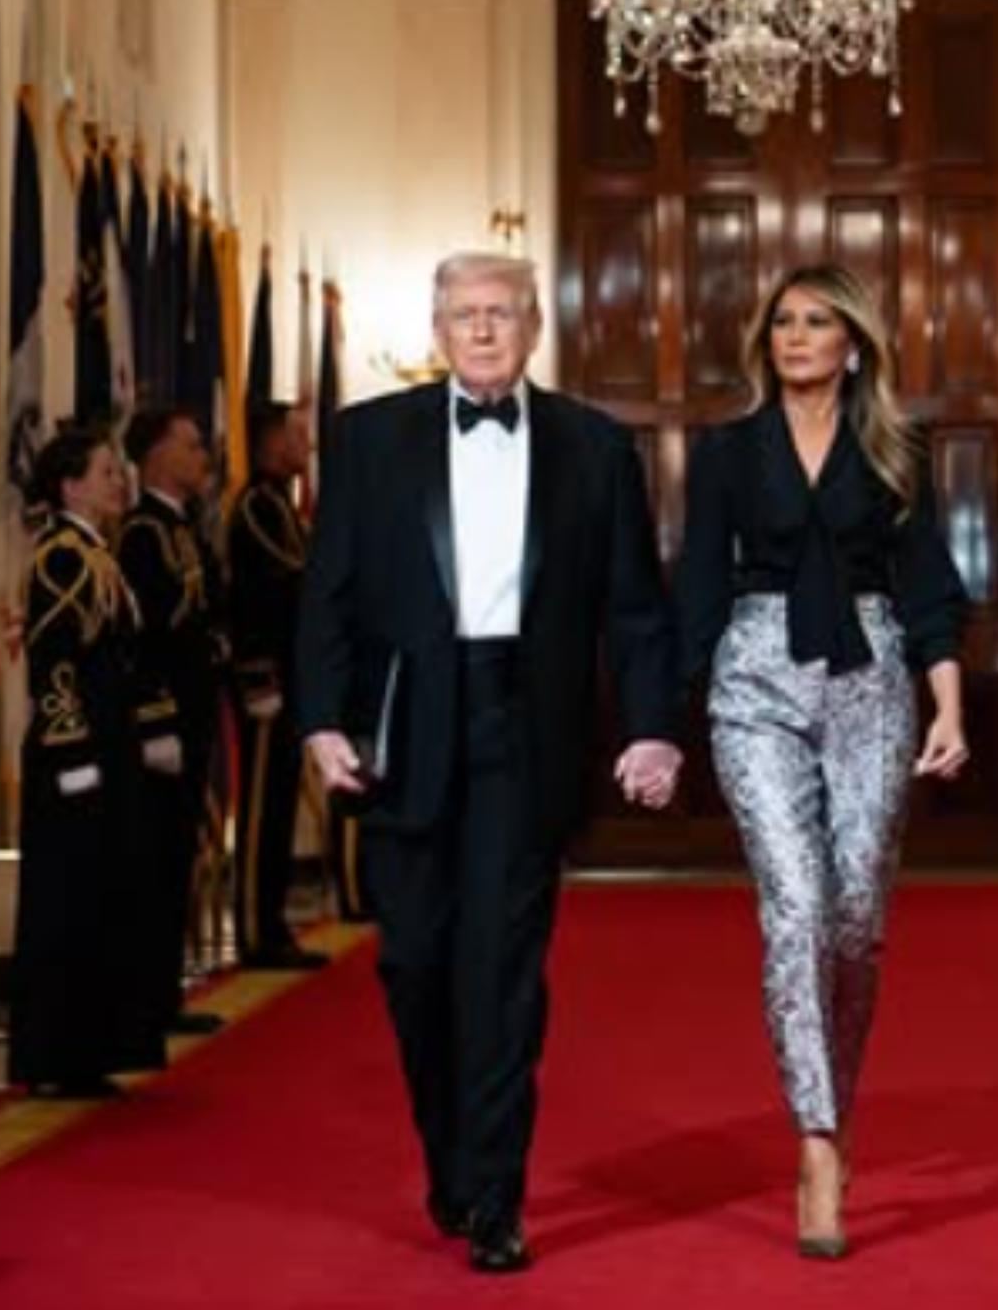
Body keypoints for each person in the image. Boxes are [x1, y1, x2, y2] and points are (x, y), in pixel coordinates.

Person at [299, 251, 683, 1274]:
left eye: (500, 313)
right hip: (406, 728)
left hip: (528, 723)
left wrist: (652, 727)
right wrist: (320, 721)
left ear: (532, 329)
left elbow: (635, 608)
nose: (480, 330)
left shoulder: (593, 447)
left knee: (504, 975)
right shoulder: (367, 439)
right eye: (463, 314)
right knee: (414, 964)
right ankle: (455, 1161)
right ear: (435, 329)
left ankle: (498, 1199)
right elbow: (327, 593)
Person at [675, 264, 969, 1260]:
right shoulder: (723, 452)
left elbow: (929, 580)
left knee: (853, 926)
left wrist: (948, 708)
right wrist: (661, 722)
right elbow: (694, 586)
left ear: (854, 345)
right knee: (795, 908)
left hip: (871, 679)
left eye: (817, 322)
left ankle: (836, 1111)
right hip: (754, 679)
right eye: (782, 323)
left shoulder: (897, 445)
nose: (795, 337)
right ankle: (815, 1142)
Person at [10, 423, 159, 1096]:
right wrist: (71, 750)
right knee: (67, 904)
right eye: (105, 471)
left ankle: (89, 1047)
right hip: (75, 758)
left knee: (101, 899)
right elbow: (55, 662)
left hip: (108, 747)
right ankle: (59, 1055)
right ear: (70, 485)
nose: (118, 481)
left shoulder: (99, 551)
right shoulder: (62, 556)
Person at [120, 406, 227, 1037]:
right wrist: (157, 721)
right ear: (156, 454)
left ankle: (163, 991)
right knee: (157, 859)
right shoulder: (143, 535)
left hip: (192, 713)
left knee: (178, 853)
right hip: (164, 724)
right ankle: (147, 998)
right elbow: (147, 638)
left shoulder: (182, 528)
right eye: (189, 445)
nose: (202, 456)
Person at [228, 404, 328, 971]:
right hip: (266, 684)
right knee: (264, 808)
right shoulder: (255, 509)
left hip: (293, 679)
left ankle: (272, 921)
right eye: (294, 435)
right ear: (267, 442)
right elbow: (276, 595)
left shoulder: (280, 507)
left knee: (282, 806)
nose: (305, 445)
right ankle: (254, 928)